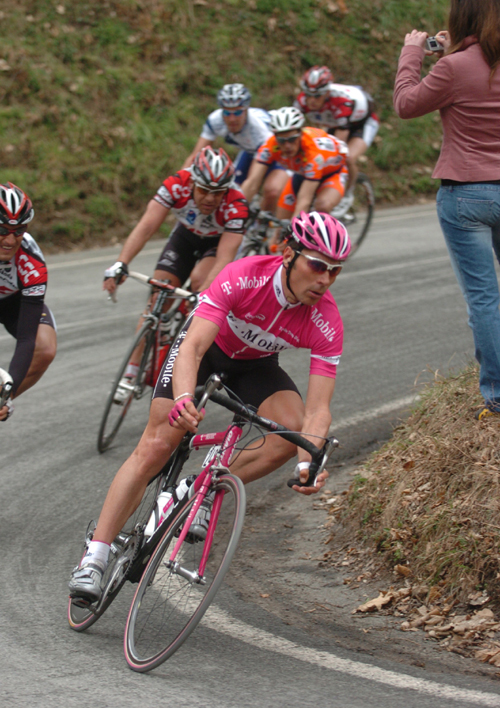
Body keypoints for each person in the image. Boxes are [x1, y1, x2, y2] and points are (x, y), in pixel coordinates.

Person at [69, 211, 351, 603]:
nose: (324, 279)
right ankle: (95, 556)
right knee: (156, 444)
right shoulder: (245, 275)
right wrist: (184, 398)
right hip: (204, 351)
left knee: (290, 433)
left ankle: (198, 488)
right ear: (288, 252)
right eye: (317, 265)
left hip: (255, 364)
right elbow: (194, 347)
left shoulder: (326, 320)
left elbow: (318, 410)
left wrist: (309, 460)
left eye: (335, 271)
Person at [393, 0, 500, 421]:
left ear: (460, 14)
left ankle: (497, 393)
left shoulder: (453, 68)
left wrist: (413, 52)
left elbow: (406, 104)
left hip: (465, 195)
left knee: (484, 298)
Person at [103, 146, 249, 402]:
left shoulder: (236, 203)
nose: (210, 199)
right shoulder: (176, 184)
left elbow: (225, 257)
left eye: (218, 192)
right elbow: (147, 225)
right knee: (158, 294)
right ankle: (131, 372)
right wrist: (121, 262)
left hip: (214, 247)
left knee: (202, 283)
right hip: (184, 239)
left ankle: (182, 336)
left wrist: (203, 295)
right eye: (204, 190)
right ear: (192, 181)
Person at [182, 83, 289, 210]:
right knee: (229, 190)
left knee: (272, 190)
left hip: (278, 153)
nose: (232, 119)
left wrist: (231, 213)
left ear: (246, 110)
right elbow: (195, 156)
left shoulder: (258, 130)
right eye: (227, 112)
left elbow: (252, 182)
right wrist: (178, 186)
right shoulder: (215, 120)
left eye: (238, 112)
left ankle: (262, 224)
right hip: (250, 151)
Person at [0, 183, 57, 421]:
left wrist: (7, 392)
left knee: (45, 348)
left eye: (19, 230)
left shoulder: (32, 263)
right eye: (2, 230)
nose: (11, 240)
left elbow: (27, 339)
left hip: (14, 302)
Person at [241, 107, 351, 222]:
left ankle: (327, 237)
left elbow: (304, 200)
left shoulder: (313, 152)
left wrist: (294, 229)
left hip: (332, 174)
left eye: (292, 139)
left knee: (322, 206)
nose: (287, 145)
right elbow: (252, 182)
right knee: (281, 223)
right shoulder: (270, 145)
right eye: (282, 141)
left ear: (300, 134)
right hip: (302, 174)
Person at [295, 66, 380, 209]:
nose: (312, 100)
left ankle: (348, 194)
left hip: (363, 123)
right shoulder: (301, 101)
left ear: (327, 92)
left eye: (317, 96)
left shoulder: (341, 101)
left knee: (346, 156)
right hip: (335, 122)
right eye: (308, 94)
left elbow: (339, 144)